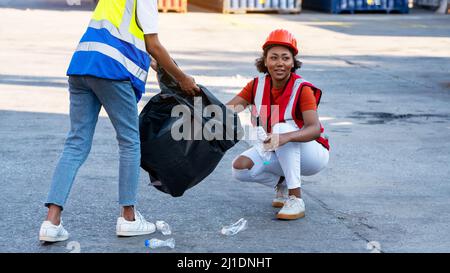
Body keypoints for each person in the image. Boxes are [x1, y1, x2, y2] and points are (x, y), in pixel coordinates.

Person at [39, 0, 199, 242]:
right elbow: (153, 44)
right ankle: (128, 218)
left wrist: (151, 62)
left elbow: (123, 37)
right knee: (129, 142)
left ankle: (51, 222)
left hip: (82, 65)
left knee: (76, 144)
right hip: (111, 70)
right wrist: (182, 78)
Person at [226, 29, 330, 220]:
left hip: (312, 154)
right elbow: (228, 111)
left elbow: (314, 129)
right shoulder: (256, 85)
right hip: (277, 148)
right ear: (265, 61)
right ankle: (281, 182)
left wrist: (286, 137)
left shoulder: (302, 88)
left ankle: (295, 198)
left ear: (293, 62)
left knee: (281, 128)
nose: (280, 63)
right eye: (274, 57)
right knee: (240, 168)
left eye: (285, 58)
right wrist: (197, 107)